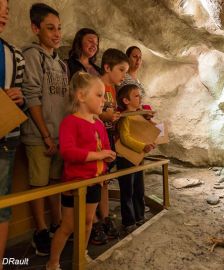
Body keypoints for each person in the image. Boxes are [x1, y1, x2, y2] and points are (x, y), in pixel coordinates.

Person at [46, 72, 116, 270]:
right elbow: (68, 152)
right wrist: (100, 155)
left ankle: (81, 255)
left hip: (94, 182)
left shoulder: (100, 124)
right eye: (99, 95)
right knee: (68, 226)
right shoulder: (70, 122)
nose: (104, 100)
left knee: (87, 222)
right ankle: (53, 263)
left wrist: (106, 163)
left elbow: (104, 149)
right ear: (81, 96)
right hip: (75, 184)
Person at [21, 3, 69, 256]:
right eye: (50, 28)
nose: (56, 33)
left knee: (55, 181)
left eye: (59, 28)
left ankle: (56, 224)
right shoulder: (32, 55)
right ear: (35, 28)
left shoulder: (60, 64)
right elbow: (32, 97)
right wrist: (46, 135)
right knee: (39, 183)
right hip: (40, 134)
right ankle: (40, 230)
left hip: (59, 134)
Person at [89, 48, 129, 244]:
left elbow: (109, 112)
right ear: (107, 67)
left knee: (105, 180)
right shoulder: (97, 86)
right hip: (95, 139)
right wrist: (105, 116)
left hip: (107, 137)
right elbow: (91, 113)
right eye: (121, 70)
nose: (124, 74)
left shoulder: (112, 88)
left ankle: (104, 218)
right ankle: (94, 221)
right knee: (96, 180)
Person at [0, 0, 26, 265]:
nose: (3, 15)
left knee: (2, 206)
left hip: (5, 139)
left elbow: (24, 97)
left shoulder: (14, 54)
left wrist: (19, 99)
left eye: (6, 11)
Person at [116, 85, 154, 232]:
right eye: (136, 96)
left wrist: (149, 142)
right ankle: (128, 221)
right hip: (125, 158)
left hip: (138, 157)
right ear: (126, 100)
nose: (140, 98)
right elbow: (125, 138)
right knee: (127, 190)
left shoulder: (140, 114)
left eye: (140, 95)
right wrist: (142, 146)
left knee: (139, 188)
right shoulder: (125, 117)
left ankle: (139, 216)